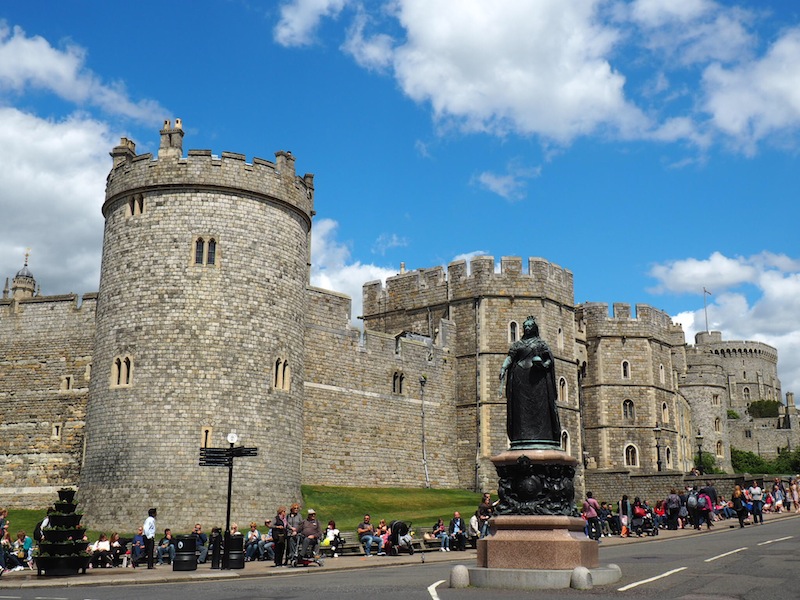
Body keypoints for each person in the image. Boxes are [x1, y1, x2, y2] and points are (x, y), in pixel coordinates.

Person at [499, 315, 561, 447]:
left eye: (529, 326)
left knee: (540, 409)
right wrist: (504, 368)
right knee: (520, 409)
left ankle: (542, 436)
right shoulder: (518, 344)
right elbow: (510, 358)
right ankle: (520, 436)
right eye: (525, 326)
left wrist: (544, 365)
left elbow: (549, 359)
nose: (527, 328)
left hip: (538, 381)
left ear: (534, 328)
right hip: (520, 379)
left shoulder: (541, 344)